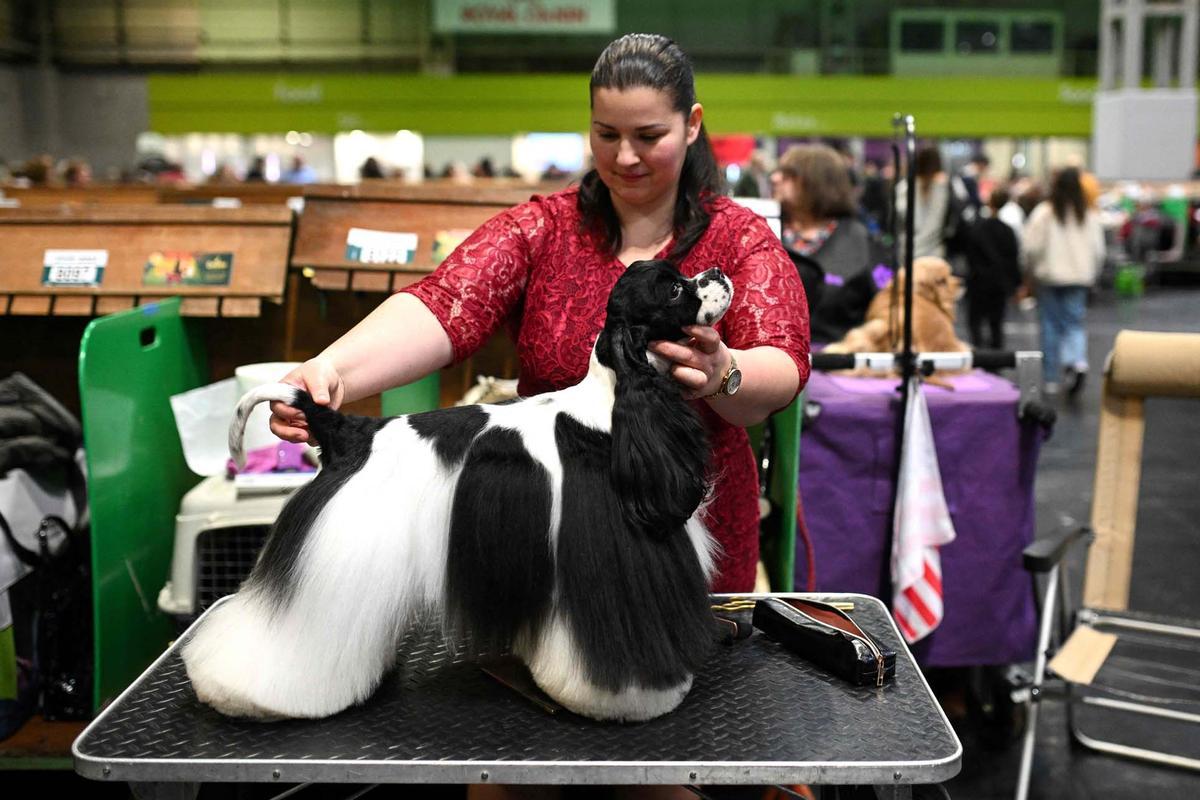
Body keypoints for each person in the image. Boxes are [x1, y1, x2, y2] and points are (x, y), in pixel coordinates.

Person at [270, 33, 810, 597]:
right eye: (607, 135)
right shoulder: (540, 229)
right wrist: (331, 369)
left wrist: (723, 370)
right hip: (549, 535)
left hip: (690, 530)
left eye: (649, 136)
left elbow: (782, 368)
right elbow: (445, 304)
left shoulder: (740, 239)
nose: (625, 157)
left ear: (692, 124)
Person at [772, 143, 885, 342]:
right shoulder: (763, 230)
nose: (775, 178)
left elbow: (887, 299)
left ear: (816, 182)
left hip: (841, 361)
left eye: (788, 174)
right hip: (770, 360)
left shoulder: (862, 240)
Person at [1022, 167, 1106, 397]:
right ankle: (1077, 361)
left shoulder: (1044, 212)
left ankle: (1051, 378)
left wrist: (1030, 270)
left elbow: (1031, 247)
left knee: (1049, 326)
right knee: (1074, 323)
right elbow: (1098, 250)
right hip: (1079, 277)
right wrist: (1093, 274)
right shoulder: (1087, 214)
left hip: (1049, 277)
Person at [962, 185, 1022, 351]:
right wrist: (1016, 285)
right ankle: (996, 359)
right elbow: (1013, 259)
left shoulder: (977, 228)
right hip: (999, 285)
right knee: (996, 323)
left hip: (978, 283)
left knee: (975, 322)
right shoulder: (1008, 231)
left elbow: (969, 256)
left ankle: (978, 353)